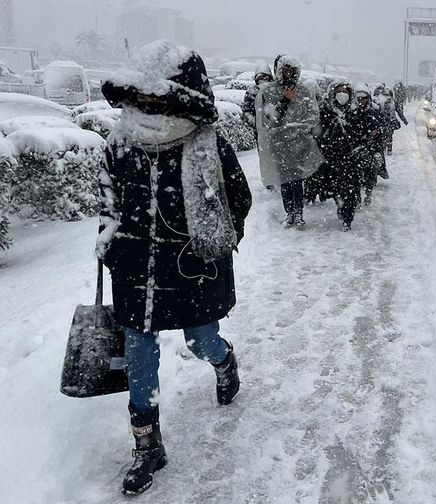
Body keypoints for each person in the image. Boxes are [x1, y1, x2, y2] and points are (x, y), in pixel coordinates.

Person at [98, 40, 252, 496]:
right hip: (135, 269)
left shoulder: (206, 143)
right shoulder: (120, 142)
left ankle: (224, 361)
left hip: (191, 268)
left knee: (199, 340)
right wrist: (110, 243)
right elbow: (108, 201)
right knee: (139, 353)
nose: (144, 104)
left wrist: (213, 246)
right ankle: (147, 446)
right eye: (139, 96)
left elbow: (237, 201)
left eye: (154, 96)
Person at [256, 55, 322, 229]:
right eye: (285, 69)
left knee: (297, 179)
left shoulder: (304, 91)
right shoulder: (269, 91)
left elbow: (312, 116)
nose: (288, 73)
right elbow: (269, 120)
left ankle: (298, 213)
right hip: (279, 143)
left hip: (299, 143)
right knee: (284, 180)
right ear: (279, 71)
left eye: (291, 70)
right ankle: (290, 213)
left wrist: (303, 130)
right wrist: (285, 101)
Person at [318, 80, 361, 231]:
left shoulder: (355, 112)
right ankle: (340, 206)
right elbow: (320, 132)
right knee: (336, 189)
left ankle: (347, 218)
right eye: (339, 91)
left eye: (345, 91)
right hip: (332, 157)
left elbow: (360, 134)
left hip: (350, 158)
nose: (342, 94)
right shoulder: (326, 111)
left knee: (349, 189)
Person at [351, 83, 384, 206]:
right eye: (358, 99)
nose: (361, 101)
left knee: (371, 172)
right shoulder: (352, 112)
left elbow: (380, 128)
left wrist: (375, 143)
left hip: (372, 146)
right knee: (355, 174)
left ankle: (368, 193)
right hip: (357, 147)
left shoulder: (374, 111)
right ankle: (357, 198)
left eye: (363, 99)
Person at [242, 63, 274, 133]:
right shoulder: (252, 92)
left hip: (273, 129)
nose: (263, 81)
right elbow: (247, 111)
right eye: (260, 79)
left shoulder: (274, 91)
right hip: (258, 130)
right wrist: (257, 123)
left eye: (265, 78)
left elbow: (278, 110)